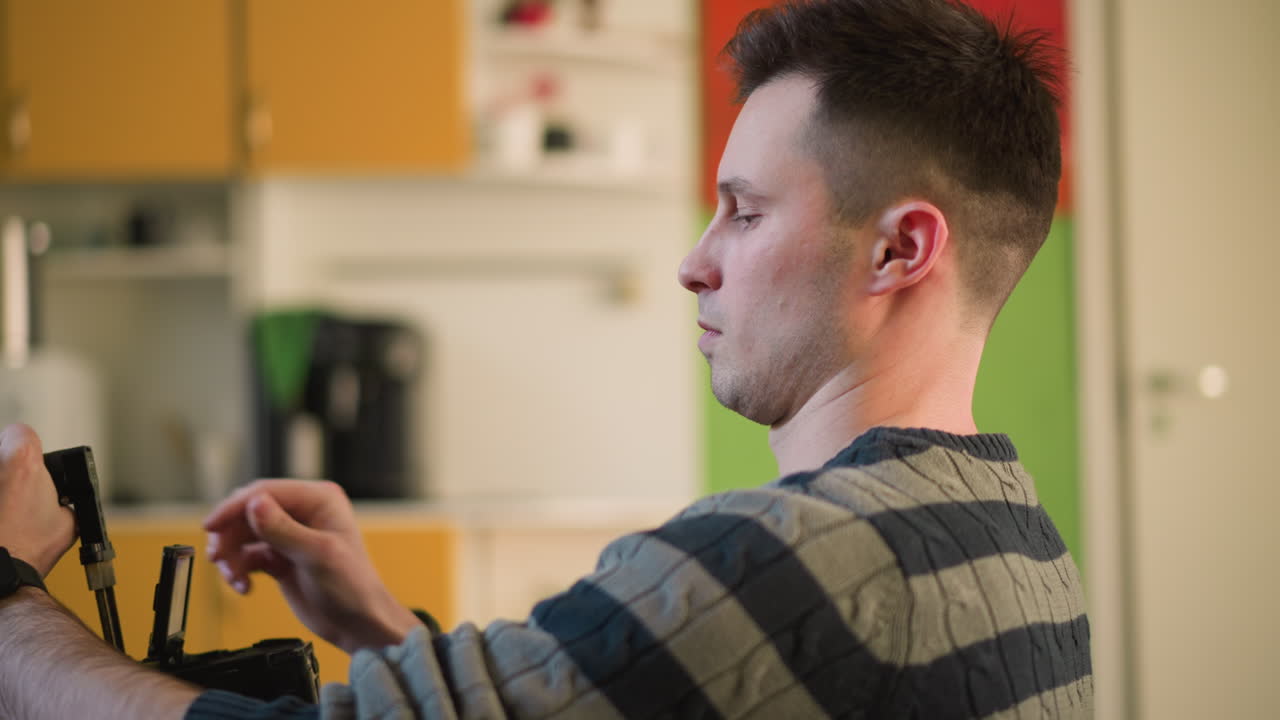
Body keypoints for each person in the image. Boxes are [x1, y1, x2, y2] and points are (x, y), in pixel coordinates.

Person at [0, 0, 1091, 717]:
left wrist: (9, 602)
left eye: (742, 214)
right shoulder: (1016, 541)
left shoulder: (793, 562)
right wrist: (382, 628)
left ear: (900, 248)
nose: (691, 263)